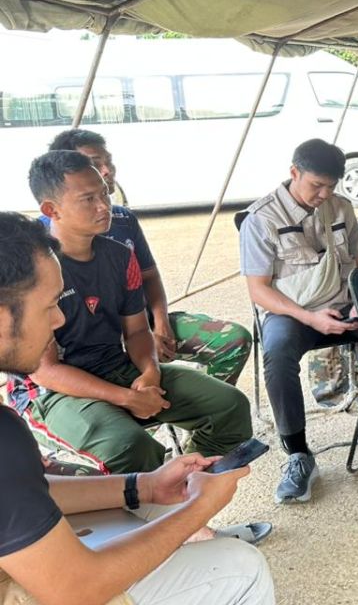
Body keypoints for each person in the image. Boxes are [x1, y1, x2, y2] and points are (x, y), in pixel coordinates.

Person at [0, 212, 275, 605]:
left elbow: (29, 491)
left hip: (120, 370)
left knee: (151, 509)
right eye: (49, 307)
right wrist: (199, 508)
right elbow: (77, 589)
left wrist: (143, 485)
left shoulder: (116, 254)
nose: (59, 319)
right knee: (241, 566)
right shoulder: (5, 436)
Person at [11, 152, 251, 475]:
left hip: (116, 366)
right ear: (51, 210)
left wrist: (150, 371)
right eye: (89, 199)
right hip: (51, 393)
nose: (104, 206)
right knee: (130, 447)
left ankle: (187, 482)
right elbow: (45, 371)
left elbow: (137, 331)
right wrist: (126, 398)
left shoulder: (120, 256)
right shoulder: (36, 270)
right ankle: (153, 499)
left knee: (230, 407)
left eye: (104, 194)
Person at [45, 129, 251, 385]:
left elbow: (149, 276)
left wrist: (161, 323)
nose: (107, 170)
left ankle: (201, 401)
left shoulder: (122, 219)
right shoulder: (42, 241)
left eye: (108, 161)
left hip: (141, 322)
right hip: (89, 345)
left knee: (233, 341)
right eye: (95, 164)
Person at [239, 139, 358, 505]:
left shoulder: (341, 207)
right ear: (294, 172)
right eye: (317, 185)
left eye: (331, 186)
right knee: (277, 353)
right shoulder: (262, 219)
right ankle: (298, 454)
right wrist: (309, 318)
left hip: (343, 302)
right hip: (293, 312)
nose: (324, 194)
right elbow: (259, 290)